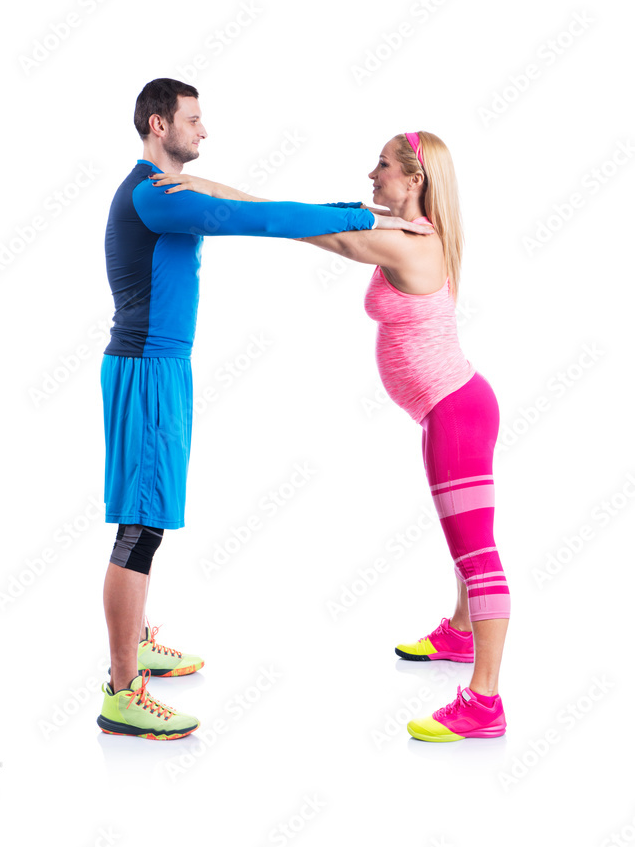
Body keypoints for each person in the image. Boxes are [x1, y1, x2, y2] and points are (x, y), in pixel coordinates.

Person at [151, 130, 510, 743]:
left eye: (383, 166)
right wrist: (209, 190)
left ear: (415, 180)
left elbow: (301, 227)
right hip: (446, 411)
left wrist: (208, 193)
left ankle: (485, 702)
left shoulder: (408, 246)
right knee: (462, 538)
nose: (372, 175)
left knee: (477, 555)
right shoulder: (415, 233)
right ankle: (458, 632)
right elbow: (305, 218)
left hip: (457, 413)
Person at [98, 78, 414, 741]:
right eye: (193, 119)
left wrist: (361, 214)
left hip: (158, 368)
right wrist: (370, 216)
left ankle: (137, 643)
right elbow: (262, 221)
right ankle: (123, 691)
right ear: (159, 125)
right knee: (141, 526)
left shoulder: (167, 190)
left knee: (148, 514)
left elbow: (256, 201)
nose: (204, 131)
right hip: (149, 372)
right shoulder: (157, 196)